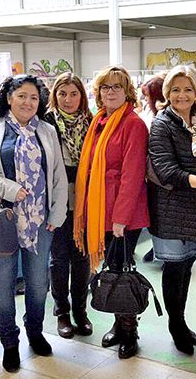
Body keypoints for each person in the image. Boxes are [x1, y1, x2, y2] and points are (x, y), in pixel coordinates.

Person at [0, 74, 68, 372]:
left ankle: (35, 332)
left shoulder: (47, 131)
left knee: (38, 284)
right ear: (9, 98)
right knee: (2, 285)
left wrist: (57, 212)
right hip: (3, 220)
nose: (28, 102)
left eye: (34, 98)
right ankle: (9, 341)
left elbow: (59, 174)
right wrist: (10, 189)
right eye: (21, 96)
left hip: (40, 221)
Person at [74, 66, 149, 359]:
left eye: (117, 87)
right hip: (101, 209)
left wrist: (120, 218)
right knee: (113, 269)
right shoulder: (99, 121)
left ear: (127, 90)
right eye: (106, 87)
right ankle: (119, 325)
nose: (111, 92)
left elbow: (132, 173)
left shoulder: (133, 123)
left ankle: (129, 330)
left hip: (122, 213)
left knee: (122, 271)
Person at [147, 65, 196, 355]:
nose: (181, 95)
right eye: (175, 89)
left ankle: (181, 321)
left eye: (188, 89)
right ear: (167, 93)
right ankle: (176, 326)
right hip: (173, 208)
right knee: (174, 268)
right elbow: (166, 170)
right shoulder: (162, 124)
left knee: (187, 265)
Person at [43, 72, 94, 339]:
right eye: (62, 93)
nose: (68, 99)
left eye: (74, 93)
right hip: (57, 198)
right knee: (59, 258)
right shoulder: (46, 123)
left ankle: (80, 311)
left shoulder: (92, 122)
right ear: (55, 95)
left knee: (82, 256)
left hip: (85, 198)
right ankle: (62, 311)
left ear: (82, 96)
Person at [139, 73, 166, 263]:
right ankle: (157, 248)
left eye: (147, 96)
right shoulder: (150, 115)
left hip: (161, 179)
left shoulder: (162, 119)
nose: (145, 100)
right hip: (151, 178)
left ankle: (162, 252)